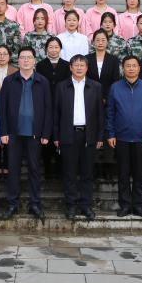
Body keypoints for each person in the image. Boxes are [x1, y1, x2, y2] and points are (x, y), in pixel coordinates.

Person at [0, 47, 53, 219]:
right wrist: (3, 131)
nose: (26, 60)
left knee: (34, 170)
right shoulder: (9, 81)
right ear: (18, 60)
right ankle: (12, 204)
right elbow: (2, 108)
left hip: (35, 134)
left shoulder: (42, 81)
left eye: (29, 57)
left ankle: (34, 204)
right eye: (23, 57)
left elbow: (48, 108)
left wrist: (46, 133)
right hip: (13, 133)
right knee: (13, 170)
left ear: (34, 60)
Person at [104, 55, 142, 218]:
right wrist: (111, 133)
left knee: (140, 174)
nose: (131, 68)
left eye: (134, 65)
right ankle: (125, 205)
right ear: (123, 68)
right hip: (121, 138)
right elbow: (110, 112)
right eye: (128, 66)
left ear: (139, 68)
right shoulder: (115, 87)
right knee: (123, 174)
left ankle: (138, 205)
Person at [53, 54, 104, 220]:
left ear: (87, 68)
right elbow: (56, 113)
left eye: (82, 65)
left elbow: (100, 114)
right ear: (70, 67)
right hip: (68, 134)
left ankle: (86, 206)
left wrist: (100, 136)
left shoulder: (95, 86)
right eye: (76, 65)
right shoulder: (62, 86)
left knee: (87, 173)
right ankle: (71, 206)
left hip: (89, 135)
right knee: (69, 173)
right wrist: (56, 136)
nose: (79, 68)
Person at [36, 36, 69, 179]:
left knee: (62, 136)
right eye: (51, 47)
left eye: (56, 47)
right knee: (46, 137)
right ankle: (48, 170)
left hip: (63, 105)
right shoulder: (40, 65)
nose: (54, 50)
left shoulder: (67, 65)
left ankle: (61, 170)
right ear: (46, 49)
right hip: (45, 105)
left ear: (60, 49)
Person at [87, 29, 121, 103]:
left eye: (103, 40)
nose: (100, 43)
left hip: (109, 99)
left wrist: (106, 96)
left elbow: (115, 81)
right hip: (89, 97)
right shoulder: (87, 59)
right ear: (93, 42)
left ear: (107, 42)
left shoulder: (113, 60)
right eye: (97, 40)